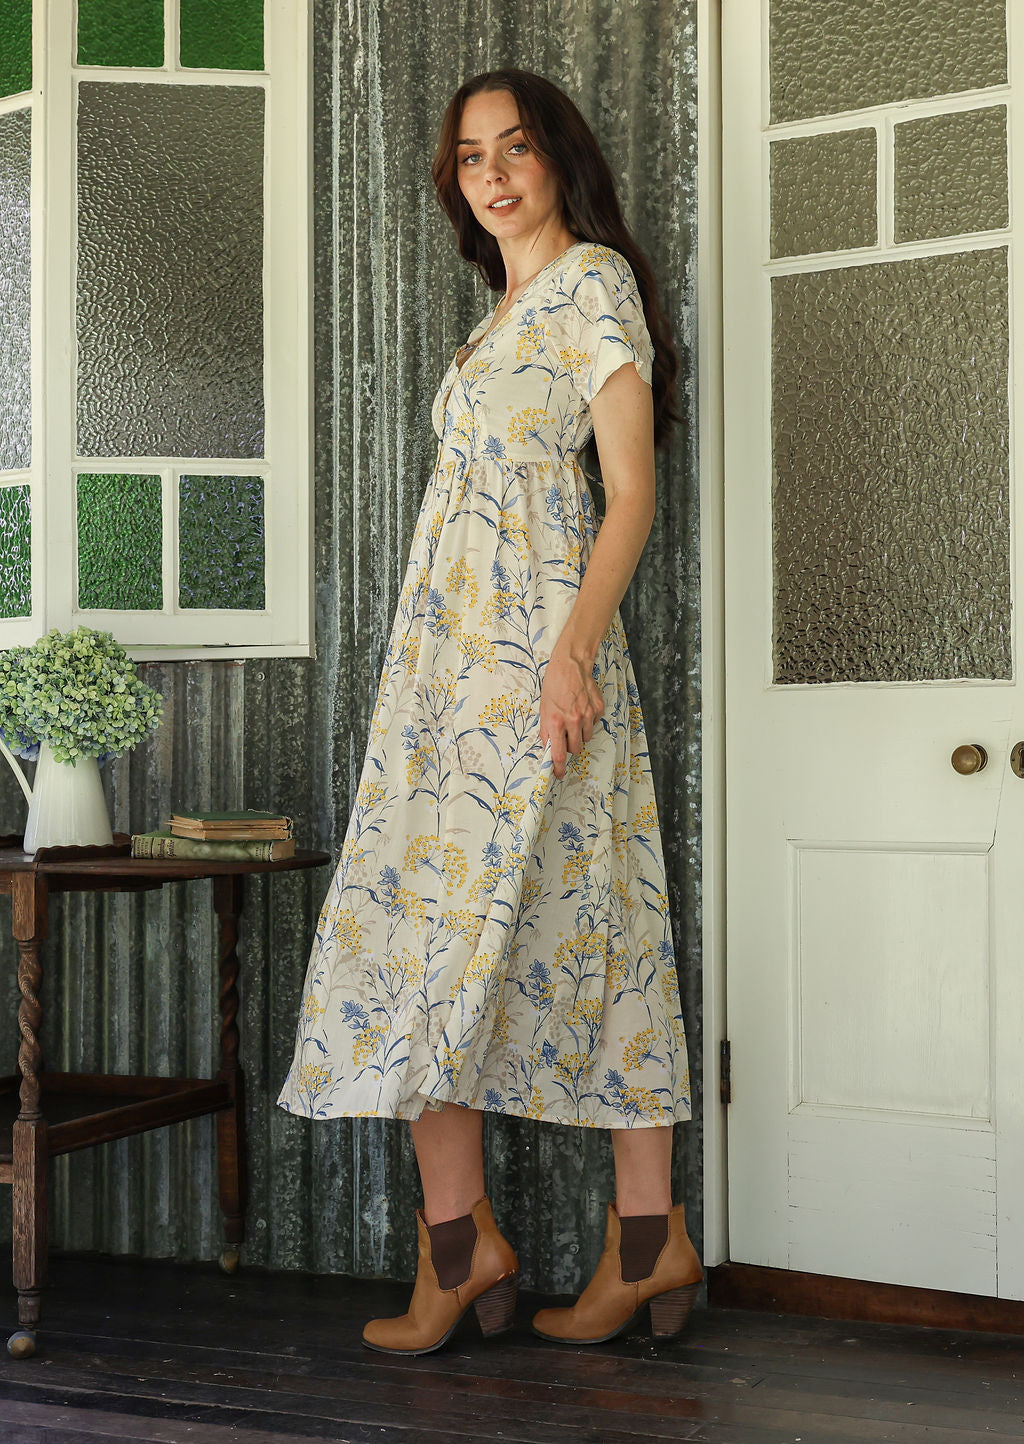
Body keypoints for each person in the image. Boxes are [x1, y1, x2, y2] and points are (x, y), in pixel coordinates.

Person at [277, 67, 702, 1355]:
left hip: (543, 669)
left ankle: (646, 1240)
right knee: (422, 931)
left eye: (515, 148)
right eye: (471, 158)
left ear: (559, 157)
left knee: (599, 924)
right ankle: (461, 1246)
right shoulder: (499, 314)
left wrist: (570, 658)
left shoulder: (592, 286)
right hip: (446, 682)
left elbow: (629, 493)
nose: (495, 174)